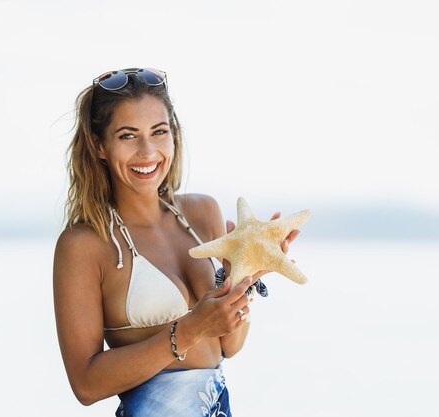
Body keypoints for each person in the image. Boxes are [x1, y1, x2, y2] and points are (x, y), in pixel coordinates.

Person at [53, 68, 299, 417]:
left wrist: (245, 279)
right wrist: (190, 329)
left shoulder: (202, 213)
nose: (147, 151)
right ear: (99, 146)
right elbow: (86, 385)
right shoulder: (85, 245)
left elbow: (228, 346)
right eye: (127, 136)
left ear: (174, 136)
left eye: (159, 132)